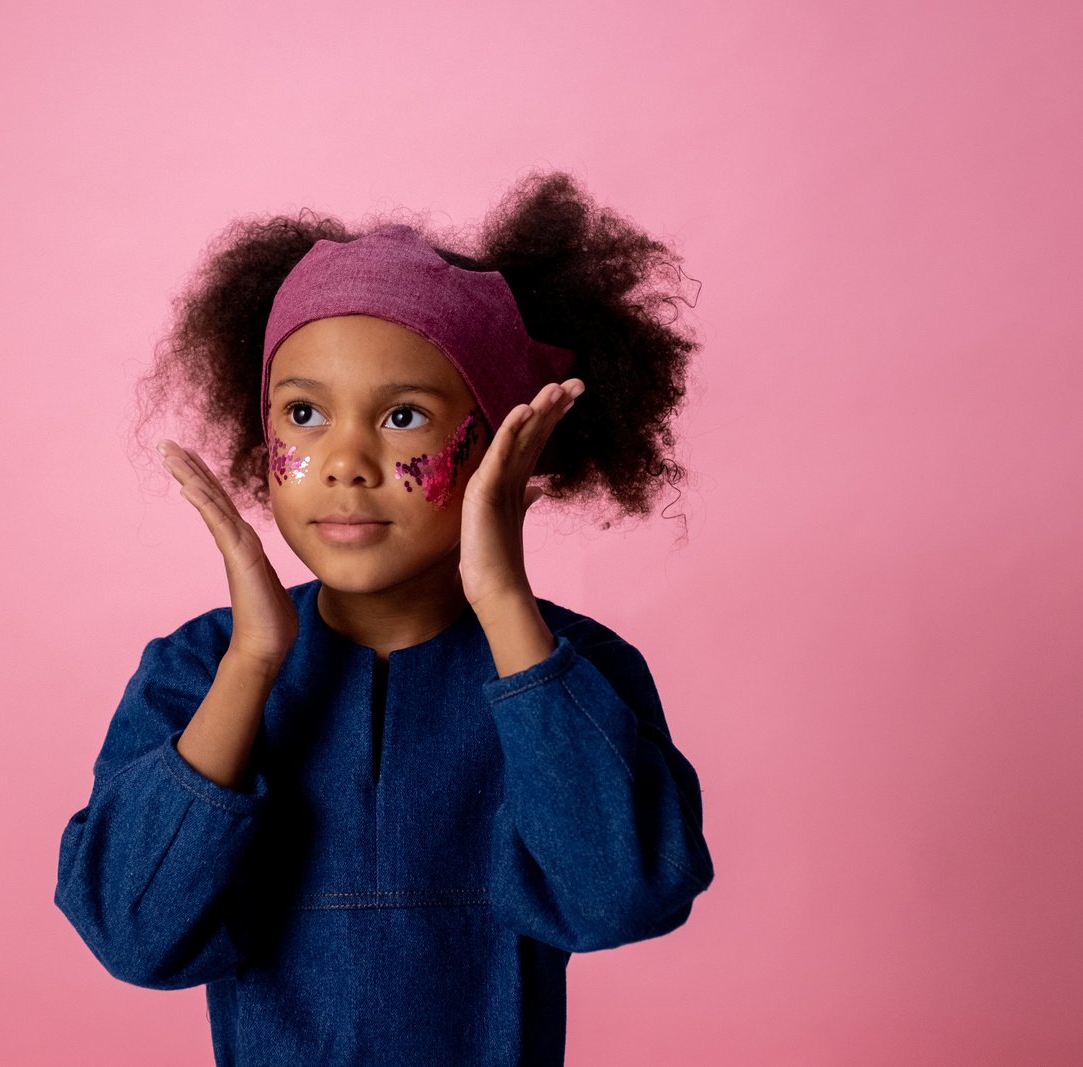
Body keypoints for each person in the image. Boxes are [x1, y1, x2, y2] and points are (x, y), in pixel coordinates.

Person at [54, 170, 714, 1066]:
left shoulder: (577, 669)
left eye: (404, 417)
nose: (345, 461)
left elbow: (621, 896)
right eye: (304, 414)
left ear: (502, 446)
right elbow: (135, 933)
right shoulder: (196, 667)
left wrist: (507, 605)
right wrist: (252, 662)